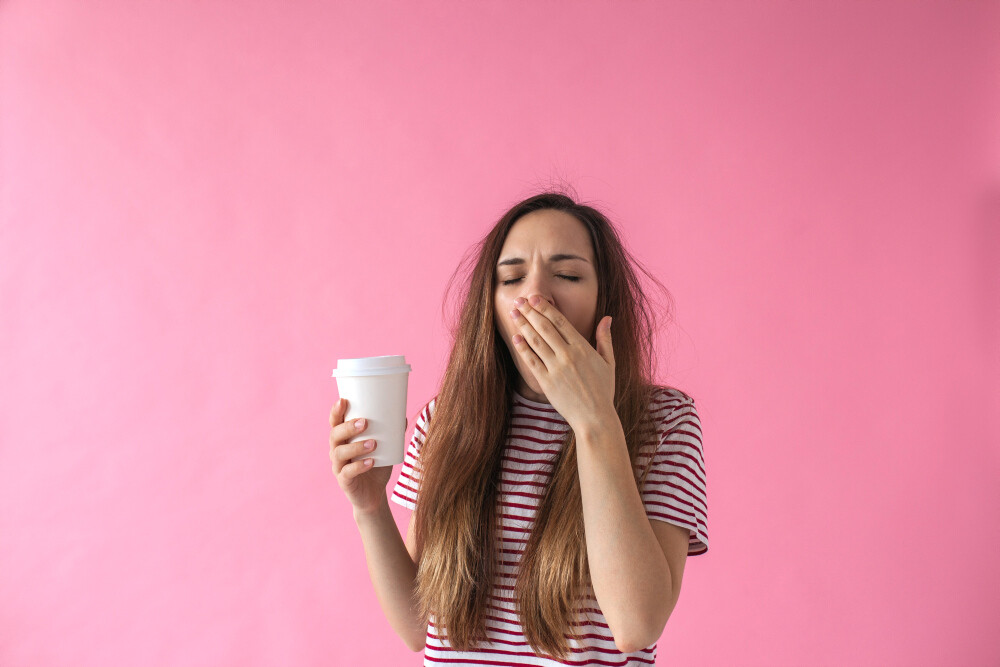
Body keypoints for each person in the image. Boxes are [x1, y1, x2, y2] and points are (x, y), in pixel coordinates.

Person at [328, 191, 708, 665]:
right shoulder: (445, 421)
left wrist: (595, 421)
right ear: (491, 305)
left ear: (604, 301)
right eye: (511, 278)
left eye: (568, 274)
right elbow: (419, 627)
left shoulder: (664, 422)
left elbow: (636, 624)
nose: (535, 296)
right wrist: (368, 507)